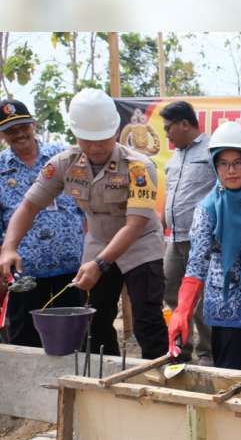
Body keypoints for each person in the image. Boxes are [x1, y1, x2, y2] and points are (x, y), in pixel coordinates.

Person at [0, 88, 168, 359]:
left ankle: (158, 377)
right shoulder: (64, 164)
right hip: (97, 242)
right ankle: (104, 380)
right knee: (95, 321)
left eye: (103, 140)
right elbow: (29, 206)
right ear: (76, 136)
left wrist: (101, 264)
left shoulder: (140, 166)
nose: (95, 148)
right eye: (87, 140)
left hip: (140, 244)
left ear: (115, 132)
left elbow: (135, 224)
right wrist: (9, 247)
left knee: (146, 319)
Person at [167, 122, 241, 373]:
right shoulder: (208, 209)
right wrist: (183, 310)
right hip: (228, 311)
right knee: (232, 380)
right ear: (215, 166)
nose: (231, 170)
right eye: (223, 163)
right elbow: (197, 263)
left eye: (238, 162)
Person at [0, 99, 84, 346]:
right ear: (2, 135)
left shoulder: (63, 157)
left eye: (23, 127)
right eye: (10, 131)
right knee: (25, 340)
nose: (19, 134)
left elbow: (86, 206)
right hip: (24, 273)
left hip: (70, 267)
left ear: (33, 125)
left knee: (72, 338)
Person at [160, 100, 215, 365]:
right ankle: (181, 347)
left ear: (185, 124)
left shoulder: (212, 150)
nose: (167, 134)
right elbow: (172, 194)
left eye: (169, 128)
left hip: (202, 241)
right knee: (172, 294)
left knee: (202, 300)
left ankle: (206, 353)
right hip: (174, 238)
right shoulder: (175, 156)